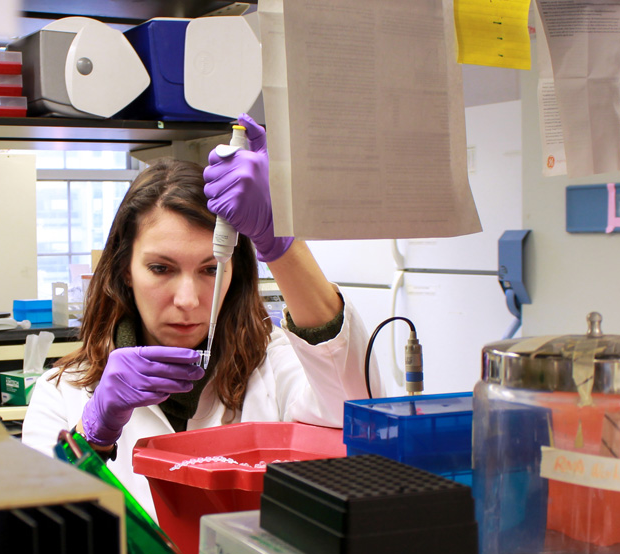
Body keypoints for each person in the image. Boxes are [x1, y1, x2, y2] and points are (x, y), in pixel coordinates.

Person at [22, 114, 380, 521]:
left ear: (235, 272)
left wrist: (278, 241)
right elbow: (41, 537)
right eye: (161, 268)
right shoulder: (63, 394)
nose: (189, 300)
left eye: (211, 269)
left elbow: (360, 421)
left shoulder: (274, 367)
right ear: (125, 269)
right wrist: (93, 437)